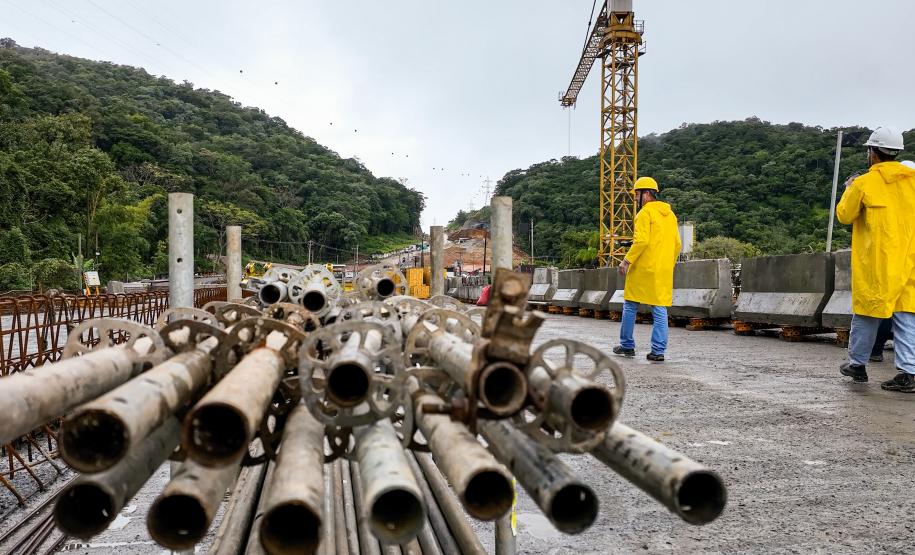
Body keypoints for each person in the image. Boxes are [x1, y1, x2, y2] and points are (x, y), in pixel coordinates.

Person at [837, 127, 915, 392]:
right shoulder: (913, 180)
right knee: (907, 317)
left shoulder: (863, 183)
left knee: (867, 313)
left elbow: (845, 215)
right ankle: (909, 373)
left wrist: (849, 188)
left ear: (872, 152)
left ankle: (857, 365)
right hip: (909, 262)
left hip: (878, 262)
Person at [613, 176, 682, 362]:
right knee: (659, 309)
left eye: (637, 194)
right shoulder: (671, 215)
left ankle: (627, 345)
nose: (635, 198)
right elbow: (677, 244)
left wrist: (626, 261)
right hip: (663, 270)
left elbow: (642, 241)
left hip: (643, 269)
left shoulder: (644, 213)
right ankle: (658, 351)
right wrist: (669, 263)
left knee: (630, 305)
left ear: (646, 194)